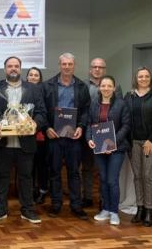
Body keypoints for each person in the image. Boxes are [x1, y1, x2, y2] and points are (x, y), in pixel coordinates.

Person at [0, 56, 48, 223]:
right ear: (5, 69)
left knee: (26, 177)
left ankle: (27, 210)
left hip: (25, 142)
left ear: (20, 68)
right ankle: (1, 209)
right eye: (10, 66)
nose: (13, 68)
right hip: (3, 142)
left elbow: (42, 112)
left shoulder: (33, 89)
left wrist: (35, 123)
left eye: (16, 66)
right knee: (1, 176)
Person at [43, 53, 91, 219]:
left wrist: (81, 127)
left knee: (74, 172)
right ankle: (56, 205)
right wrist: (46, 128)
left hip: (73, 137)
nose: (67, 67)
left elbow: (86, 110)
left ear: (74, 66)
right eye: (64, 64)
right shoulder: (47, 85)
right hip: (54, 136)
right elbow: (42, 110)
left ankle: (76, 206)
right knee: (54, 172)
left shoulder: (82, 87)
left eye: (70, 64)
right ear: (59, 65)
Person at [125, 67, 152, 227]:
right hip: (133, 142)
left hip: (151, 143)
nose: (143, 79)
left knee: (148, 176)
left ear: (151, 78)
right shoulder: (130, 95)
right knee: (137, 176)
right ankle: (140, 208)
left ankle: (149, 211)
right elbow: (125, 117)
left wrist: (151, 140)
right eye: (140, 76)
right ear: (136, 78)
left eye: (146, 76)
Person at [87, 75, 130, 226]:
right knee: (103, 180)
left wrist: (111, 144)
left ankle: (114, 212)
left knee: (112, 180)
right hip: (99, 148)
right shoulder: (94, 104)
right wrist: (89, 139)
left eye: (109, 86)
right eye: (103, 86)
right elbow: (89, 124)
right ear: (99, 88)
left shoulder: (122, 104)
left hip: (116, 148)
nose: (106, 88)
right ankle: (105, 209)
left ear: (114, 88)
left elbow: (126, 126)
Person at [82, 57, 122, 207]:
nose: (97, 69)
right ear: (90, 69)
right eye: (95, 67)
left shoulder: (116, 87)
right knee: (87, 167)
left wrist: (113, 138)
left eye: (101, 67)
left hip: (109, 137)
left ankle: (104, 200)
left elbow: (119, 110)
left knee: (104, 172)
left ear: (105, 70)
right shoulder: (83, 86)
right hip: (90, 133)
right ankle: (87, 197)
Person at [26, 67, 49, 204]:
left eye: (36, 75)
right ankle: (30, 190)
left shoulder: (45, 92)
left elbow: (47, 112)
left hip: (41, 134)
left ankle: (42, 190)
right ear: (27, 77)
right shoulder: (22, 91)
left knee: (41, 164)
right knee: (29, 165)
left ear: (40, 78)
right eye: (31, 75)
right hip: (25, 133)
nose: (33, 77)